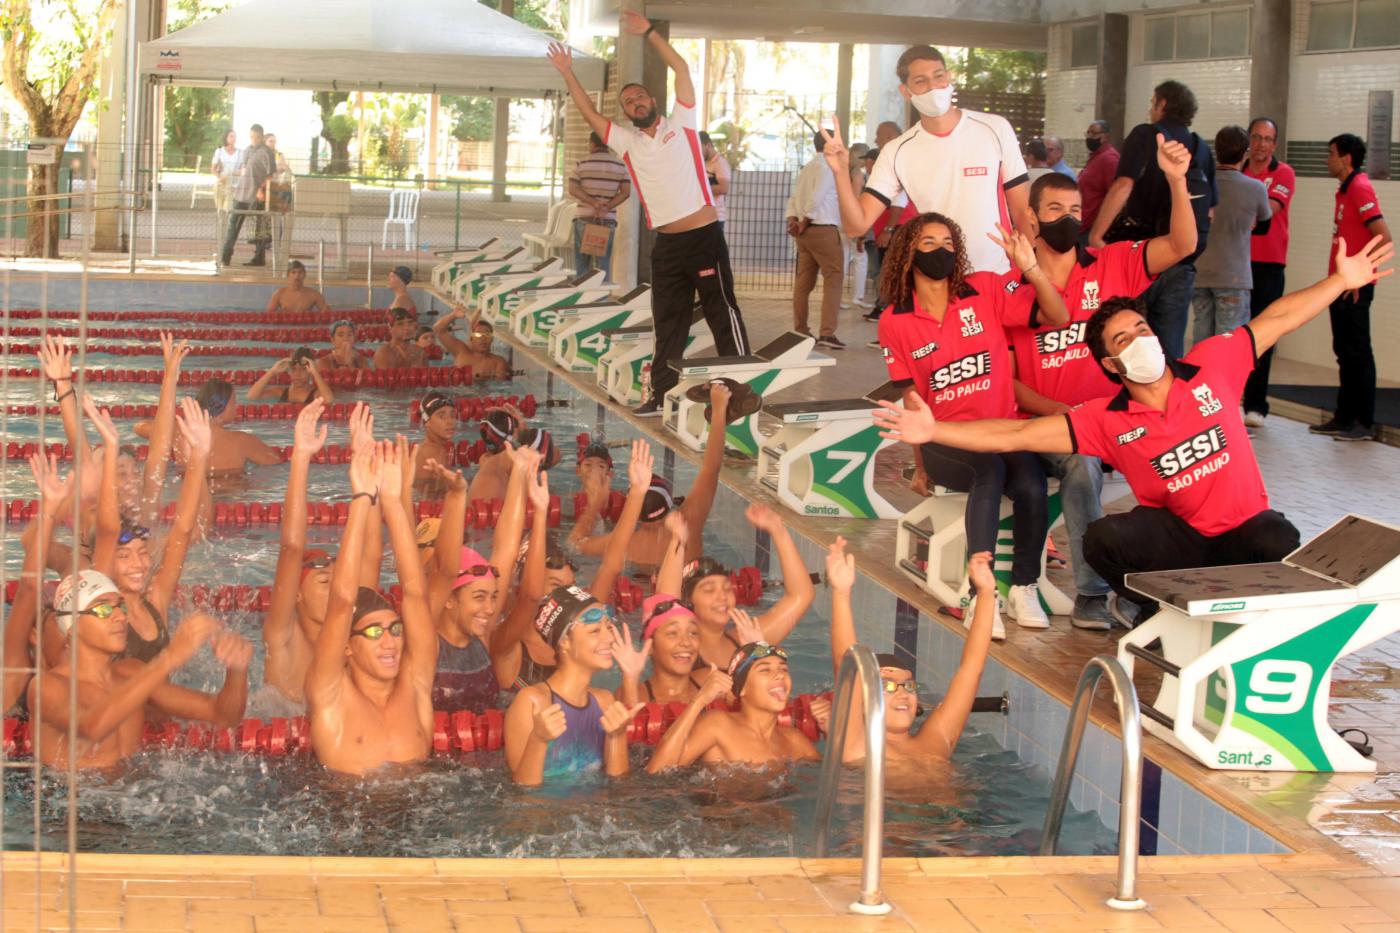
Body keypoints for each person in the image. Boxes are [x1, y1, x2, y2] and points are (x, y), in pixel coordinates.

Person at [873, 235, 1394, 627]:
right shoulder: (1107, 419)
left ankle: (1236, 615)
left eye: (1142, 329)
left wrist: (1340, 282)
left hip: (1243, 531)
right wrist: (935, 428)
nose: (1140, 340)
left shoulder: (1212, 366)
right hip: (1179, 540)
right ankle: (1148, 605)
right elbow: (1012, 435)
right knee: (1105, 539)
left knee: (1278, 535)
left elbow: (1278, 319)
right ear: (1111, 364)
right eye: (1124, 339)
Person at [1006, 138, 1197, 630]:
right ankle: (1092, 592)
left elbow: (1182, 245)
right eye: (1054, 209)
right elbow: (1007, 381)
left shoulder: (1111, 263)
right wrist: (1063, 416)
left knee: (1184, 460)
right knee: (1083, 463)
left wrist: (1176, 180)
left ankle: (1170, 588)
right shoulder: (1008, 286)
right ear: (1030, 219)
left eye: (1074, 209)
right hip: (1050, 429)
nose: (1067, 218)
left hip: (1119, 422)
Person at [546, 12, 751, 418]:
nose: (634, 102)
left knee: (720, 309)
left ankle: (742, 385)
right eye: (627, 102)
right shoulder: (627, 143)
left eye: (639, 96)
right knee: (667, 321)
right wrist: (568, 73)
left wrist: (650, 33)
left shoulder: (685, 125)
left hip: (703, 235)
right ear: (625, 113)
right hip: (668, 245)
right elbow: (589, 113)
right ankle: (660, 394)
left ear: (653, 100)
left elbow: (681, 68)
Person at [877, 214, 1069, 634]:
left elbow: (1058, 314)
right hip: (944, 440)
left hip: (1002, 430)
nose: (940, 250)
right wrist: (921, 465)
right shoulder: (895, 320)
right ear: (908, 252)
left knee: (1030, 480)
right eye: (927, 243)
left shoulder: (983, 290)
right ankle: (980, 592)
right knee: (989, 469)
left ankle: (1024, 585)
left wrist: (1030, 267)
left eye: (948, 241)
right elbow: (913, 400)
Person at [820, 45, 1033, 276]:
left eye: (938, 76)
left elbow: (1022, 211)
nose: (933, 87)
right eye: (921, 81)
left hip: (999, 276)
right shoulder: (896, 151)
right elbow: (855, 226)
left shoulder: (994, 128)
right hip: (940, 282)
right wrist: (841, 172)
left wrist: (1034, 272)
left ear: (949, 78)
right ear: (906, 91)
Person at [306, 441, 438, 775]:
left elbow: (416, 593)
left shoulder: (415, 681)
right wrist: (362, 499)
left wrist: (393, 503)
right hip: (350, 814)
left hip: (424, 816)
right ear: (347, 647)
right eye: (375, 633)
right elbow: (341, 603)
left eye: (395, 629)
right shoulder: (332, 694)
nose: (390, 642)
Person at [28, 573, 250, 770]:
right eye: (103, 608)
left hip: (132, 798)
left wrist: (237, 670)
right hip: (72, 809)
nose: (120, 616)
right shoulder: (46, 687)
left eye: (121, 606)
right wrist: (169, 657)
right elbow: (92, 728)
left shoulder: (131, 673)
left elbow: (223, 716)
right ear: (72, 627)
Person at [818, 539, 996, 768]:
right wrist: (841, 593)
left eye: (908, 686)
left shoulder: (936, 741)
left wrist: (986, 593)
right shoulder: (856, 746)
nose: (903, 693)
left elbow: (972, 670)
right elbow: (848, 666)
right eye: (888, 685)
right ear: (862, 699)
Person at [1087, 80, 1217, 361]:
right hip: (1181, 263)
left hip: (1140, 257)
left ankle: (1133, 404)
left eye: (1152, 103)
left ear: (1163, 104)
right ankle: (1167, 404)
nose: (1150, 109)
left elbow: (1123, 184)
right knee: (1169, 348)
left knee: (1129, 343)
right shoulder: (1200, 147)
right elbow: (1209, 211)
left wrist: (1097, 235)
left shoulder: (1146, 135)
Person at [262, 402, 381, 707]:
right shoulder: (282, 639)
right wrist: (300, 456)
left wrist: (368, 472)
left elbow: (371, 557)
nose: (336, 588)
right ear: (296, 595)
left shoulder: (350, 632)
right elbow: (291, 550)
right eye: (325, 581)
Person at [569, 380, 730, 567]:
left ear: (633, 511)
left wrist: (594, 506)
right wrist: (719, 409)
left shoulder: (622, 543)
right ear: (671, 503)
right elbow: (711, 468)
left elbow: (574, 545)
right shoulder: (689, 526)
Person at [101, 398, 212, 663]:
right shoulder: (101, 608)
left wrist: (198, 454)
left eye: (141, 552)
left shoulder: (156, 599)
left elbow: (183, 529)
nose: (138, 564)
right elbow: (107, 531)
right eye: (124, 556)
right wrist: (110, 446)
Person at [503, 586, 644, 784]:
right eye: (595, 630)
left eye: (609, 627)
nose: (610, 638)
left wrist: (617, 736)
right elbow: (524, 797)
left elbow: (617, 787)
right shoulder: (531, 702)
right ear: (565, 643)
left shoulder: (604, 701)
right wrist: (539, 739)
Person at [654, 499, 815, 671]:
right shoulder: (679, 648)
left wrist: (778, 530)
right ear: (687, 602)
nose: (722, 596)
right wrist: (678, 540)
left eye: (727, 588)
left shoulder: (745, 638)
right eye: (709, 590)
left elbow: (801, 596)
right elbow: (666, 602)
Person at [1312, 133, 1393, 442]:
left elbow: (1383, 236)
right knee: (1343, 351)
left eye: (1331, 154)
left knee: (1358, 352)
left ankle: (1362, 421)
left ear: (1346, 158)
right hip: (1341, 284)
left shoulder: (1360, 187)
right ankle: (1344, 417)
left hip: (1355, 286)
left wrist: (1364, 273)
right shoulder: (1345, 189)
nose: (1327, 159)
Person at [645, 640, 819, 770]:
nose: (780, 675)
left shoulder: (795, 741)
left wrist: (831, 730)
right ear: (742, 689)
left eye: (783, 669)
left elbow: (838, 781)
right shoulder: (718, 725)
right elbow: (658, 771)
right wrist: (699, 701)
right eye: (765, 670)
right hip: (723, 817)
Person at [1191, 126, 1272, 346]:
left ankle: (1200, 380)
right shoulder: (1255, 188)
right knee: (1228, 345)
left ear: (1216, 151)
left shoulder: (1202, 184)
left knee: (1201, 340)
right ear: (1245, 153)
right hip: (1234, 276)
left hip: (1200, 273)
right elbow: (1265, 225)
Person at [1240, 118, 1296, 429]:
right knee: (1234, 332)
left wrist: (1244, 215)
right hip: (1237, 263)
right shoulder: (1239, 169)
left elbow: (1269, 210)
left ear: (1275, 144)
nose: (1261, 144)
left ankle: (1256, 403)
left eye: (1267, 139)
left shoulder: (1283, 173)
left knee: (1264, 334)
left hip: (1269, 266)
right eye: (1256, 137)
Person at [786, 131, 846, 349]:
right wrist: (806, 220)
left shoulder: (808, 167)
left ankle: (800, 329)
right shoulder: (828, 166)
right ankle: (827, 333)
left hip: (804, 234)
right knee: (834, 279)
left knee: (804, 283)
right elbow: (817, 196)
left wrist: (794, 220)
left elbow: (794, 198)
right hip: (822, 229)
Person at [568, 132, 630, 281]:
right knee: (603, 263)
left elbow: (572, 188)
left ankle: (581, 297)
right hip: (607, 220)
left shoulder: (581, 163)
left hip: (584, 218)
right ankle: (602, 299)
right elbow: (626, 193)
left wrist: (593, 203)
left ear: (592, 143)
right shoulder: (620, 165)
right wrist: (606, 207)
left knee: (582, 263)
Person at [220, 123, 275, 268]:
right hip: (241, 193)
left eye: (256, 137)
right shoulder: (247, 151)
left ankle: (259, 257)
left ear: (262, 137)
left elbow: (270, 175)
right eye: (251, 137)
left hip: (257, 195)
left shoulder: (267, 153)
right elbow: (244, 170)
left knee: (259, 227)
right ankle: (225, 257)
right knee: (233, 225)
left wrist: (261, 189)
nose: (254, 140)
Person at [433, 305, 511, 378]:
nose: (483, 338)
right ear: (471, 338)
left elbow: (499, 388)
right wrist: (453, 315)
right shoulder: (461, 352)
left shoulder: (498, 362)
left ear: (492, 339)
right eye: (478, 334)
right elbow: (438, 329)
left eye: (487, 334)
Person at [246, 346, 335, 405]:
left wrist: (315, 372)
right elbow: (251, 397)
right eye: (293, 369)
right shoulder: (280, 392)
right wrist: (272, 371)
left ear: (310, 371)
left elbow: (329, 400)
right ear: (289, 371)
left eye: (303, 369)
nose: (297, 373)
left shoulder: (316, 394)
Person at [1079, 120, 1121, 233]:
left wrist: (1098, 230)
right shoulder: (1096, 157)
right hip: (1083, 224)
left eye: (1093, 133)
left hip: (1093, 228)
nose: (1089, 137)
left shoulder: (1109, 159)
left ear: (1106, 137)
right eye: (1088, 133)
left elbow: (1116, 195)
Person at [412, 391, 458, 492]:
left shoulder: (437, 448)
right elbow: (426, 498)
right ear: (427, 422)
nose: (450, 422)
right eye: (442, 416)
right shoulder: (430, 454)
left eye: (452, 415)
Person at [265, 260, 329, 314]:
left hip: (306, 327)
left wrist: (326, 308)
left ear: (304, 275)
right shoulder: (279, 294)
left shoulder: (314, 294)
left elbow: (327, 314)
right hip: (286, 327)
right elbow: (268, 315)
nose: (297, 275)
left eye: (300, 272)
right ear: (288, 275)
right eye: (293, 272)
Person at [699, 131, 731, 235]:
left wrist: (700, 188)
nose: (698, 152)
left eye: (700, 149)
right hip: (702, 217)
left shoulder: (720, 163)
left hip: (715, 218)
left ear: (708, 145)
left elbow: (724, 188)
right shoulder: (703, 163)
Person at [211, 129, 238, 212]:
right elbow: (213, 169)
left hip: (233, 185)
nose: (233, 138)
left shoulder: (240, 153)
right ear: (226, 138)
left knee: (228, 209)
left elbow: (242, 169)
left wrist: (232, 174)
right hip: (221, 183)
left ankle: (227, 225)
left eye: (235, 136)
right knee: (220, 209)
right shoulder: (219, 151)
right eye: (231, 136)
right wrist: (220, 176)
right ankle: (220, 224)